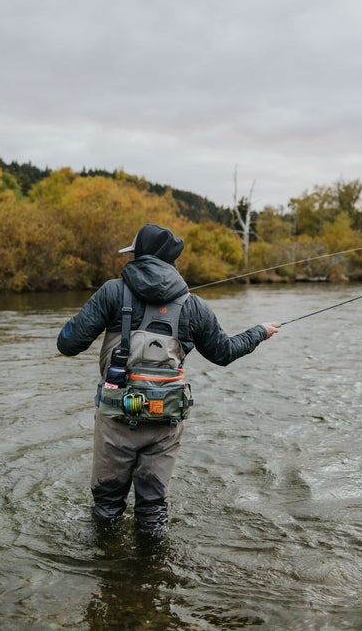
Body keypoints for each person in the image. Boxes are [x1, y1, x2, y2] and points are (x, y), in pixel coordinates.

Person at [56, 223, 279, 535]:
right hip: (165, 421)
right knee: (152, 512)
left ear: (141, 255)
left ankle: (105, 573)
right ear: (172, 261)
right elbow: (224, 353)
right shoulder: (193, 305)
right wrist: (260, 332)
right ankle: (152, 576)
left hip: (116, 418)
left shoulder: (112, 291)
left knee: (106, 508)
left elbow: (67, 345)